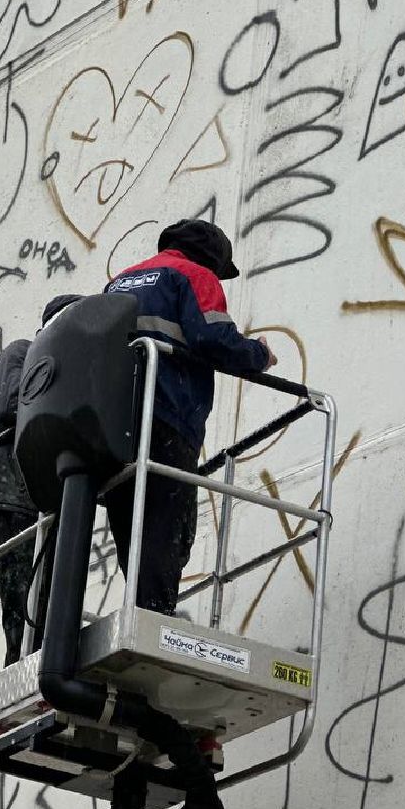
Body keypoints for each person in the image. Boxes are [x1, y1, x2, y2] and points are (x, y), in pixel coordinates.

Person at [102, 219, 275, 615]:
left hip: (113, 428)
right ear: (211, 258)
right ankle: (154, 617)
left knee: (132, 528)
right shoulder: (194, 274)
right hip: (166, 418)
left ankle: (144, 611)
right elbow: (214, 339)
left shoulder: (118, 283)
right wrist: (259, 354)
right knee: (170, 529)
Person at [0, 294, 82, 665]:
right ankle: (18, 680)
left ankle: (34, 671)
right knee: (22, 613)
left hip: (38, 498)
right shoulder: (22, 352)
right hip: (11, 497)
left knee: (44, 608)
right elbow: (8, 406)